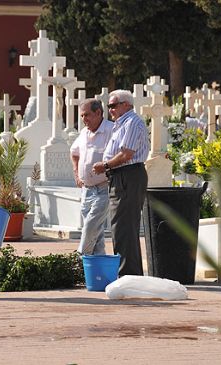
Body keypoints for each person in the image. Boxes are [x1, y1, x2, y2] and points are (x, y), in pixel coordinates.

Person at [92, 90, 149, 276]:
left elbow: (126, 154)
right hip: (121, 176)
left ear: (127, 104)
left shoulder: (132, 122)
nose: (110, 110)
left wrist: (105, 165)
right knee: (120, 227)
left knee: (124, 228)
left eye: (113, 105)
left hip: (128, 175)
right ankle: (127, 274)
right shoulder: (121, 124)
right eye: (109, 106)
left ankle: (128, 275)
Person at [70, 99, 114, 255]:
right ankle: (97, 270)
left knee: (91, 226)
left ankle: (79, 258)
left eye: (87, 115)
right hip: (87, 190)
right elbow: (74, 153)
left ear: (98, 113)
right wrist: (77, 174)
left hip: (104, 187)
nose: (84, 119)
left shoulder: (112, 130)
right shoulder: (84, 132)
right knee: (97, 233)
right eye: (82, 116)